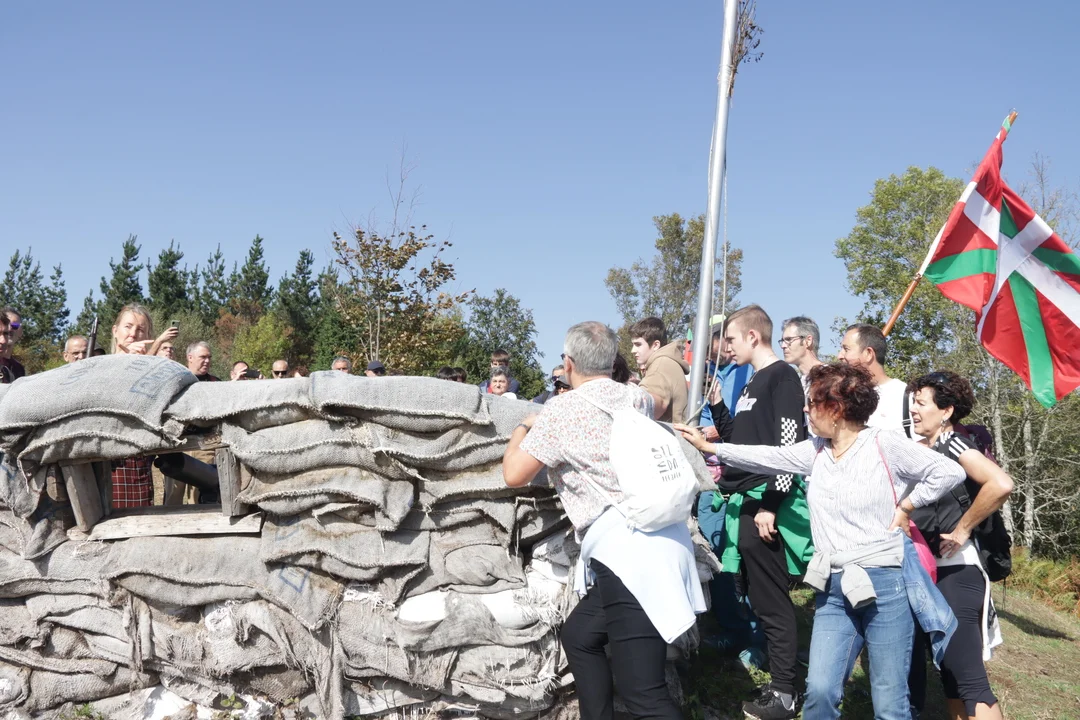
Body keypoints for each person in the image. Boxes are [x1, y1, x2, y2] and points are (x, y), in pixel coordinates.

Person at [677, 363, 966, 720]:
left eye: (812, 402)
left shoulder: (883, 443)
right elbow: (770, 457)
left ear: (837, 408)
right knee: (820, 691)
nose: (805, 408)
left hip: (886, 585)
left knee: (890, 702)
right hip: (832, 586)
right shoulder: (816, 449)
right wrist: (709, 447)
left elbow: (949, 471)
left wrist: (907, 506)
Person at [503, 321, 705, 720]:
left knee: (644, 694)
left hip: (631, 558)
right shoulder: (634, 398)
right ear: (612, 362)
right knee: (580, 636)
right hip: (660, 539)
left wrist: (523, 427)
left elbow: (514, 474)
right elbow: (658, 401)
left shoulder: (560, 412)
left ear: (568, 363)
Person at [696, 304, 809, 719]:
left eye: (730, 339)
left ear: (752, 336)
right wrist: (718, 407)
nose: (726, 348)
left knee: (770, 600)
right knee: (758, 598)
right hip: (744, 500)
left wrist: (771, 505)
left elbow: (788, 447)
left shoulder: (782, 377)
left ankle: (784, 693)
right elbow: (741, 444)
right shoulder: (751, 383)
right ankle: (781, 677)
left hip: (764, 503)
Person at [907, 371, 1012, 720]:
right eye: (913, 402)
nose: (913, 409)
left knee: (970, 682)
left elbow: (1001, 483)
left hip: (958, 573)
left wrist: (963, 528)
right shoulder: (923, 449)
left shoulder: (955, 444)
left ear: (946, 411)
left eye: (921, 403)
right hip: (931, 574)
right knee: (951, 677)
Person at [109, 304, 161, 508]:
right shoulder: (98, 364)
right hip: (103, 459)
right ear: (115, 331)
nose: (133, 334)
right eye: (128, 326)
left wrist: (141, 363)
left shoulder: (155, 371)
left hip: (138, 459)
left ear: (148, 336)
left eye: (140, 329)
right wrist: (124, 361)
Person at [838, 324, 911, 437]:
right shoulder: (841, 396)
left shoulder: (905, 396)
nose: (840, 356)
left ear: (869, 353)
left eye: (846, 349)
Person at [629, 317, 689, 423]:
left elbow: (649, 408)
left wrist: (626, 393)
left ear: (656, 345)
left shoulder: (659, 367)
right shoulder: (666, 363)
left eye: (638, 344)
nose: (633, 350)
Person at [779, 316, 823, 397]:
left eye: (789, 339)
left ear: (808, 341)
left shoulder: (831, 378)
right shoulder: (797, 384)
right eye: (782, 341)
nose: (783, 346)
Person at [0, 308, 26, 383]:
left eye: (15, 325)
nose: (9, 328)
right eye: (6, 324)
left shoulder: (19, 369)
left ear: (21, 332)